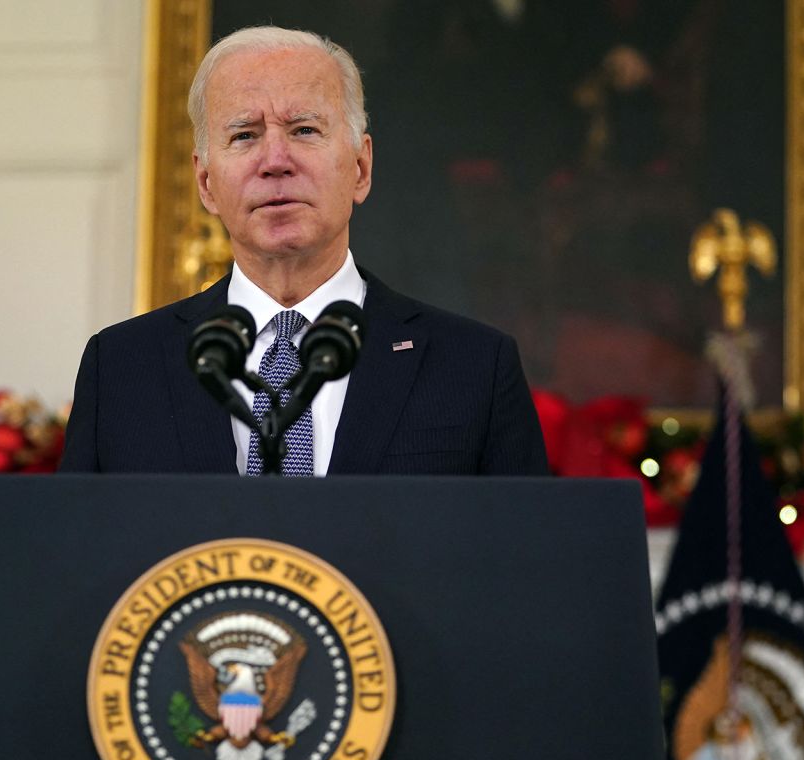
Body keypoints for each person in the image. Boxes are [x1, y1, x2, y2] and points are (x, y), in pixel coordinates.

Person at [59, 26, 547, 476]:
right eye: (244, 135)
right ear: (206, 183)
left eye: (304, 130)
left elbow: (520, 556)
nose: (275, 161)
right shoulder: (121, 368)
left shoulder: (474, 365)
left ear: (360, 168)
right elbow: (80, 557)